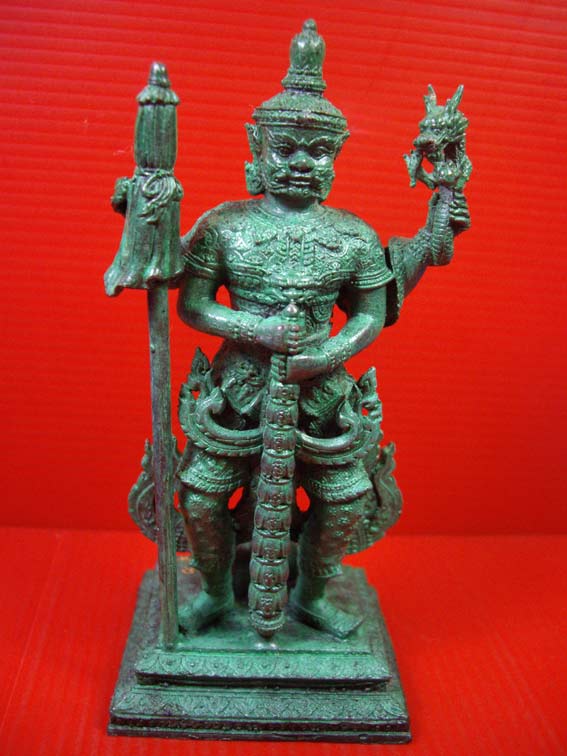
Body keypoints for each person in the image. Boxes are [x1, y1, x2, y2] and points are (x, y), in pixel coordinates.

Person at [176, 20, 470, 638]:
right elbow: (193, 307)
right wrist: (254, 329)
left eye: (318, 153)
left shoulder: (353, 235)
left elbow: (369, 313)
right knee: (202, 497)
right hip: (239, 389)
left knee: (344, 497)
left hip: (322, 390)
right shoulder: (224, 226)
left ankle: (311, 593)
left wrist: (329, 351)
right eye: (285, 150)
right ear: (257, 147)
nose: (302, 164)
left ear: (336, 158)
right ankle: (215, 593)